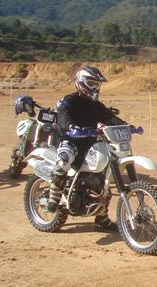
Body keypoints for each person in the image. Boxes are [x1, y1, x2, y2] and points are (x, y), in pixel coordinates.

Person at [46, 66, 126, 230]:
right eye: (91, 83)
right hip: (70, 139)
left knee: (102, 180)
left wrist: (127, 126)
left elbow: (110, 118)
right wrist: (71, 126)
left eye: (97, 84)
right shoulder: (69, 100)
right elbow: (63, 115)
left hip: (90, 142)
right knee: (64, 160)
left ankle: (101, 218)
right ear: (81, 83)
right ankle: (54, 196)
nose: (95, 88)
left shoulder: (96, 105)